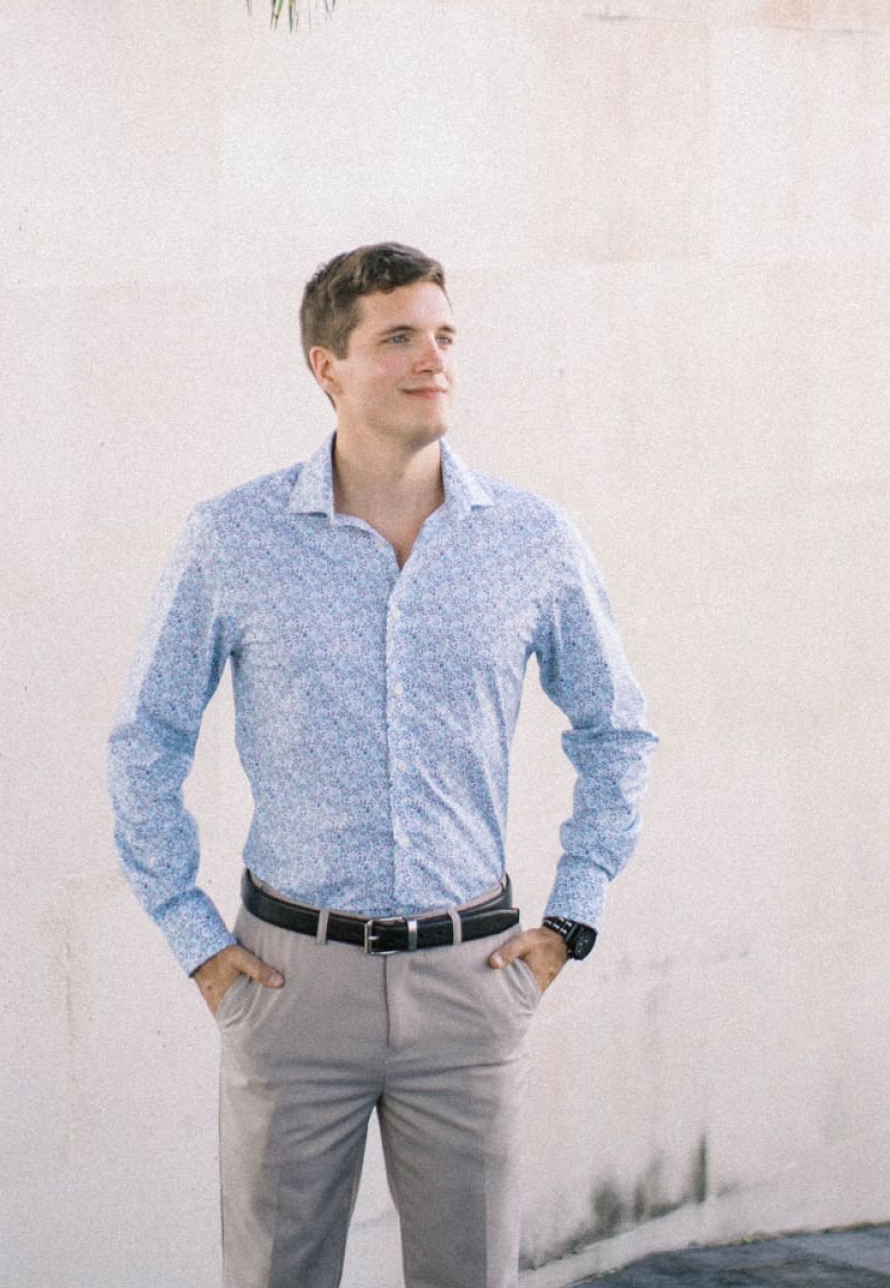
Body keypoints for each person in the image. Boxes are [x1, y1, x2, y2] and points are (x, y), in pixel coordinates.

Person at [106, 241, 657, 1288]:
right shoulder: (234, 538)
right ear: (328, 367)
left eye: (444, 335)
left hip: (473, 983)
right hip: (289, 986)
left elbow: (617, 731)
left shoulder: (533, 540)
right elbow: (148, 739)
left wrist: (571, 918)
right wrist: (195, 940)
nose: (432, 358)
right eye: (398, 337)